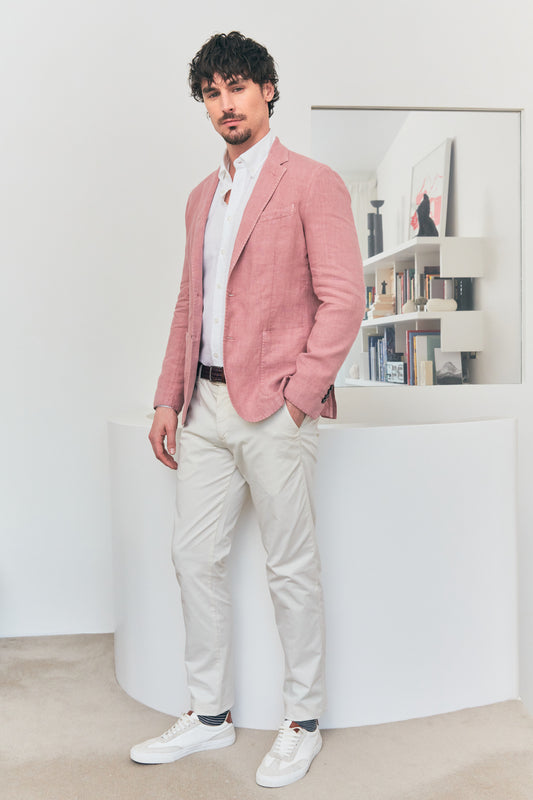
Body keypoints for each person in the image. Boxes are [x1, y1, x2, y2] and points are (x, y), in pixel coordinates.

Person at [130, 31, 365, 788]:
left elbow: (343, 299)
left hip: (274, 407)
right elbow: (187, 303)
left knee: (289, 566)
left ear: (266, 90)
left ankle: (302, 722)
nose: (225, 104)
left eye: (237, 87)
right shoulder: (202, 197)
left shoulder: (312, 182)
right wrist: (167, 396)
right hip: (202, 406)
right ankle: (209, 716)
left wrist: (298, 399)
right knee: (192, 557)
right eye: (212, 93)